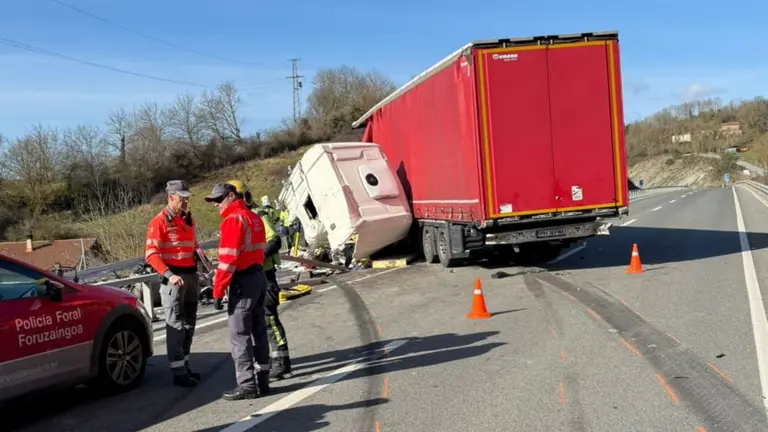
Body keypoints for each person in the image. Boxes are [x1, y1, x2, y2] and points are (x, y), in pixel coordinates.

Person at [205, 183, 271, 400]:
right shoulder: (253, 217)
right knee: (259, 330)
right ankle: (263, 380)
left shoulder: (233, 220)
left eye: (219, 199)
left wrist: (217, 290)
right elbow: (259, 250)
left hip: (243, 281)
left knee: (239, 334)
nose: (216, 204)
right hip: (258, 277)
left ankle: (246, 385)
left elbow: (228, 260)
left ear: (231, 196)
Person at [226, 180, 293, 380]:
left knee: (269, 318)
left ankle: (282, 361)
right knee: (260, 322)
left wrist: (255, 260)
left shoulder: (255, 216)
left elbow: (274, 241)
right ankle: (273, 361)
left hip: (264, 275)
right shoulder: (240, 218)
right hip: (255, 276)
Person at [145, 180, 201, 387]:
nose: (186, 201)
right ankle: (178, 373)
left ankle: (185, 366)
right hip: (174, 280)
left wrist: (202, 262)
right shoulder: (158, 222)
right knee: (176, 325)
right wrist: (169, 275)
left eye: (187, 198)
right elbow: (151, 255)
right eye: (182, 198)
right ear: (171, 197)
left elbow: (194, 246)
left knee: (189, 324)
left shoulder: (189, 219)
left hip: (191, 277)